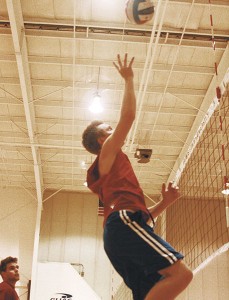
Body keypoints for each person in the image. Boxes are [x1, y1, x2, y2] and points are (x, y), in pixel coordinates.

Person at [82, 53, 193, 300]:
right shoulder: (108, 152)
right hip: (122, 226)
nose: (113, 132)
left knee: (156, 290)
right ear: (102, 140)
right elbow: (129, 117)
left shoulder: (115, 182)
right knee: (182, 276)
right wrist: (129, 79)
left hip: (120, 231)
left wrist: (166, 203)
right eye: (108, 130)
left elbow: (139, 219)